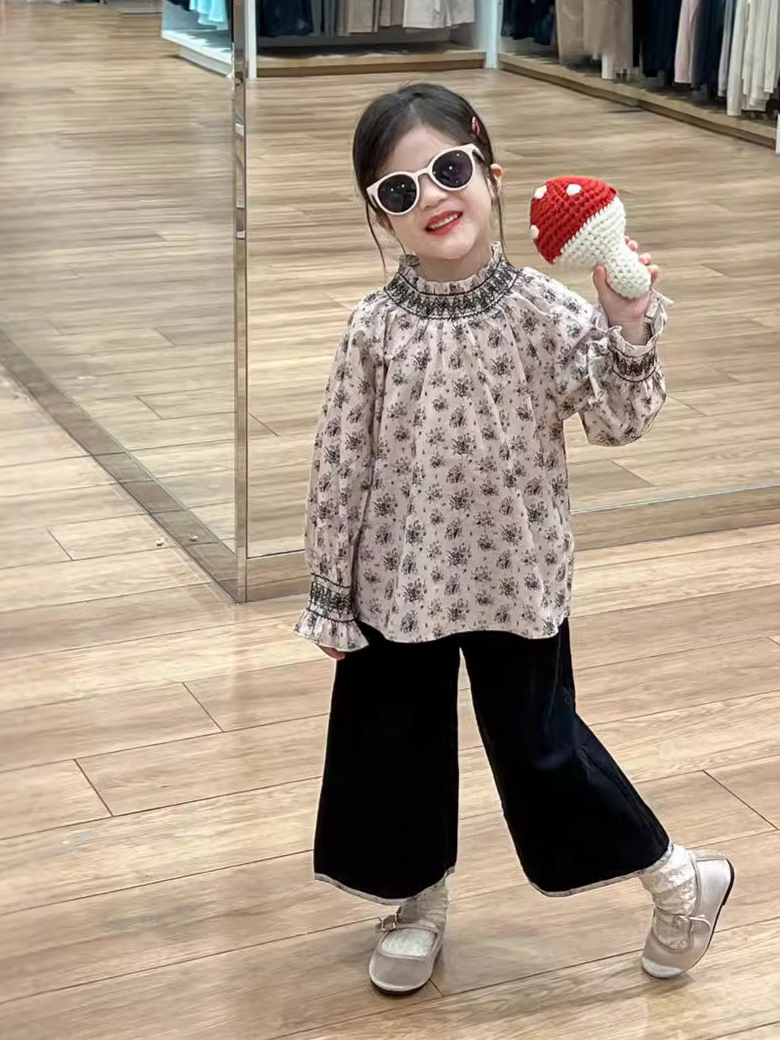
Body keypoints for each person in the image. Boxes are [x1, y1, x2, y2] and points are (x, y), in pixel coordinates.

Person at [295, 82, 734, 995]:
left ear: (491, 174)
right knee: (392, 750)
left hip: (515, 577)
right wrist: (332, 594)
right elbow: (340, 465)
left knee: (545, 751)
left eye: (449, 170)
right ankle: (416, 902)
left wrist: (627, 326)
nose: (433, 197)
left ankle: (679, 880)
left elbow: (618, 420)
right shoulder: (373, 330)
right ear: (381, 215)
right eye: (401, 189)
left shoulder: (542, 309)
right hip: (397, 587)